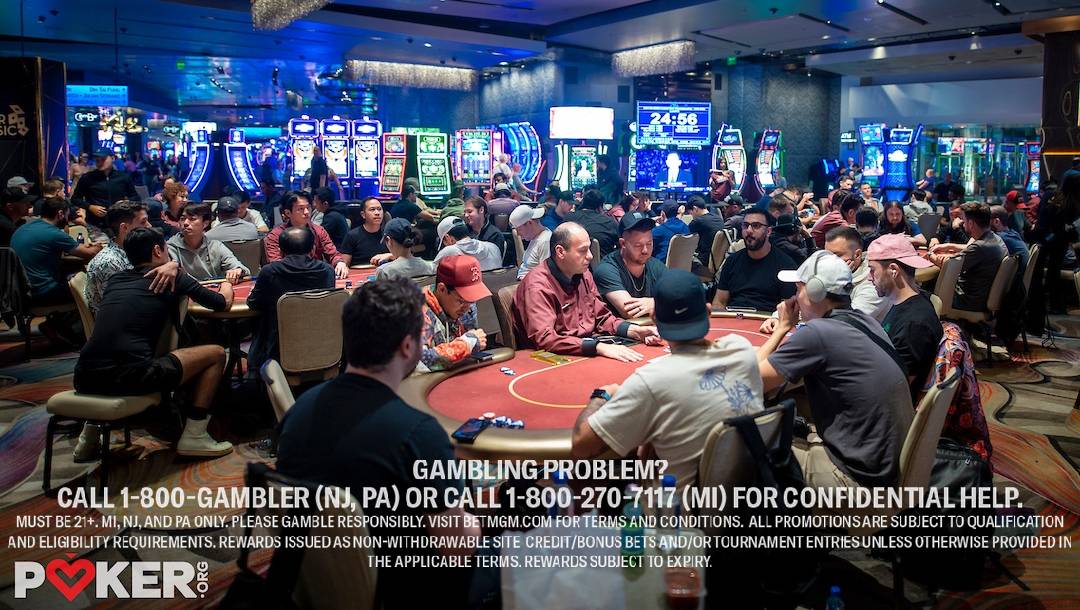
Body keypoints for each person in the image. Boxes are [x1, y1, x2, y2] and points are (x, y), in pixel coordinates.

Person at [275, 277, 481, 608]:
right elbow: (458, 546)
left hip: (311, 583)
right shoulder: (418, 432)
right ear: (407, 346)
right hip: (398, 590)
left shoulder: (299, 410)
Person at [571, 269, 763, 488]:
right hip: (752, 499)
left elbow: (581, 445)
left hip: (681, 515)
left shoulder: (651, 381)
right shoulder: (741, 350)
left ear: (654, 319)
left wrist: (603, 395)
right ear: (708, 312)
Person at [757, 250, 914, 490]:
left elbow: (751, 380)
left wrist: (782, 328)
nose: (794, 298)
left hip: (857, 481)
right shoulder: (865, 320)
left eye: (798, 289)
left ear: (815, 292)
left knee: (750, 446)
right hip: (889, 467)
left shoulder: (818, 333)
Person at [73, 227, 234, 457]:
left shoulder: (116, 280)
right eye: (167, 250)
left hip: (84, 376)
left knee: (117, 355)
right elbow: (220, 303)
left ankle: (87, 439)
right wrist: (227, 285)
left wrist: (172, 265)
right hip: (132, 376)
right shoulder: (173, 279)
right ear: (158, 250)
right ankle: (195, 435)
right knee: (217, 353)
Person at [512, 222, 660, 360]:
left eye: (589, 248)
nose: (590, 256)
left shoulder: (584, 275)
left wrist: (634, 330)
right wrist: (598, 347)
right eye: (583, 250)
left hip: (588, 347)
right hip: (552, 358)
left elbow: (602, 317)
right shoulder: (538, 286)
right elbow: (545, 339)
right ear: (560, 252)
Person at [246, 226, 336, 373]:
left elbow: (253, 304)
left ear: (281, 251)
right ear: (313, 249)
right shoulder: (327, 271)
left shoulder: (269, 272)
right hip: (322, 345)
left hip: (278, 349)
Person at [867, 234, 942, 399]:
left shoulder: (914, 325)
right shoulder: (911, 302)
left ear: (893, 270)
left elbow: (893, 390)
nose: (868, 277)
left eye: (872, 270)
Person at [84, 201, 179, 314]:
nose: (149, 226)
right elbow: (121, 308)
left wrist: (173, 264)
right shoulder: (109, 262)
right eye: (143, 222)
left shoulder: (135, 252)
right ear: (124, 228)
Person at [10, 197, 101, 308]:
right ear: (60, 213)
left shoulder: (24, 228)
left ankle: (56, 323)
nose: (68, 219)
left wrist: (81, 248)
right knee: (95, 290)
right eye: (67, 215)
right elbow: (91, 253)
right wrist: (98, 246)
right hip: (44, 293)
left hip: (22, 293)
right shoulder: (54, 233)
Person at [711, 209, 796, 312]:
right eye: (745, 226)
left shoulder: (786, 265)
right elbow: (719, 302)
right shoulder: (732, 261)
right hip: (733, 318)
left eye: (756, 226)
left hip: (767, 321)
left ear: (768, 231)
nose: (749, 231)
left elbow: (788, 309)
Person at [928, 202, 1008, 311]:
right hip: (981, 296)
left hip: (968, 301)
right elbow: (969, 248)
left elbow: (949, 266)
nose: (963, 224)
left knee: (926, 287)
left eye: (964, 221)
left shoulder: (980, 247)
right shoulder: (994, 239)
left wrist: (930, 255)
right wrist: (949, 246)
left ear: (971, 223)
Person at [417, 255, 490, 373]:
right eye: (461, 301)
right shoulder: (419, 311)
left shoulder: (466, 308)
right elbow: (419, 362)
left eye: (471, 300)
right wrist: (467, 344)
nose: (467, 308)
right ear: (442, 289)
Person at [594, 212, 667, 318]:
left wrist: (654, 303)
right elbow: (629, 311)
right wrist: (661, 304)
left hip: (652, 329)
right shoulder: (607, 269)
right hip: (621, 332)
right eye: (638, 245)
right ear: (623, 244)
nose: (645, 250)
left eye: (649, 243)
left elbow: (682, 298)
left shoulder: (655, 265)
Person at [265, 191, 348, 278]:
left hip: (315, 278)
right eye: (300, 209)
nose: (306, 212)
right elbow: (276, 263)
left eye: (308, 207)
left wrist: (340, 262)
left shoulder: (318, 230)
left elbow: (332, 253)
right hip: (288, 279)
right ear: (288, 213)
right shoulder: (275, 235)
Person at [165, 202, 248, 282]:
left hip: (213, 292)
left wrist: (237, 270)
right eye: (182, 219)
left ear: (205, 224)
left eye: (192, 219)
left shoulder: (215, 246)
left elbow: (241, 268)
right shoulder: (170, 247)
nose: (186, 223)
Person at [71, 148, 138, 229]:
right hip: (95, 223)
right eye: (97, 160)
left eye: (103, 159)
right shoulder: (87, 178)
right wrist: (90, 207)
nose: (99, 163)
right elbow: (75, 199)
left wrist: (126, 202)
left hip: (119, 222)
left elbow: (135, 197)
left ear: (112, 158)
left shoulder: (123, 177)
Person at [434, 216, 503, 271]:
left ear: (448, 238)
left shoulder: (449, 252)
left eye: (444, 243)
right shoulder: (493, 247)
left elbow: (432, 274)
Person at [564, 189, 619, 256]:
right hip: (602, 264)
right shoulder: (610, 223)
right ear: (600, 207)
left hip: (571, 263)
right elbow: (620, 246)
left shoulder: (568, 218)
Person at [340, 197, 389, 266]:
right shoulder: (352, 236)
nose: (377, 213)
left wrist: (389, 255)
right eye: (372, 209)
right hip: (359, 274)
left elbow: (401, 257)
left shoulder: (389, 234)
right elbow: (344, 265)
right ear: (363, 214)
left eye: (379, 209)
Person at [509, 204, 551, 279]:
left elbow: (546, 276)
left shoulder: (545, 241)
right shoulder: (535, 237)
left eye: (519, 230)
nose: (518, 234)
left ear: (530, 223)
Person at [687, 194, 726, 270]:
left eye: (691, 213)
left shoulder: (697, 221)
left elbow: (684, 240)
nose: (691, 216)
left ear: (695, 209)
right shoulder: (718, 218)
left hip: (703, 263)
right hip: (719, 262)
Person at [462, 197, 507, 261]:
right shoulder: (463, 232)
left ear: (481, 210)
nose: (466, 215)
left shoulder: (495, 235)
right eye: (465, 212)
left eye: (469, 211)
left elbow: (495, 261)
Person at [990, 205, 1029, 272]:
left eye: (986, 221)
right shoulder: (1013, 233)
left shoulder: (1000, 238)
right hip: (1020, 277)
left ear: (996, 221)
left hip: (1014, 280)